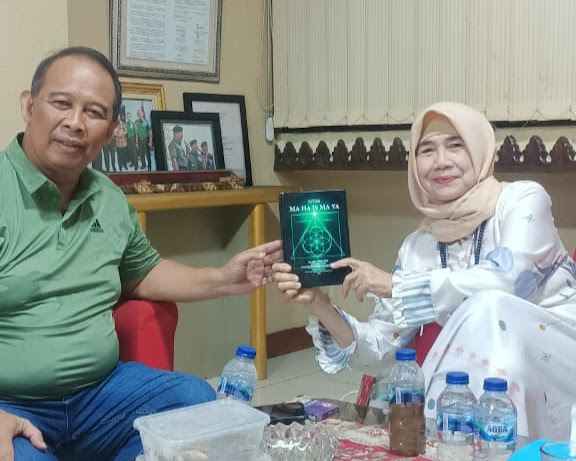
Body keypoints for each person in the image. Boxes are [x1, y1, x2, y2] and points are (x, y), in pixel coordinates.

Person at [0, 46, 281, 461]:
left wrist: (224, 278)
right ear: (29, 106)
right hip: (12, 404)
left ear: (112, 130)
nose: (75, 123)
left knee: (194, 401)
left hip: (98, 395)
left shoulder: (108, 198)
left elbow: (144, 272)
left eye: (94, 112)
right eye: (61, 103)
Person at [273, 101, 576, 441]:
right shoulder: (418, 246)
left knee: (489, 305)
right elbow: (382, 348)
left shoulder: (523, 200)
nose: (441, 161)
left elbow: (509, 280)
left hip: (559, 360)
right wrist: (320, 305)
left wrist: (395, 285)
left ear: (481, 149)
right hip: (483, 385)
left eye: (456, 145)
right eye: (427, 150)